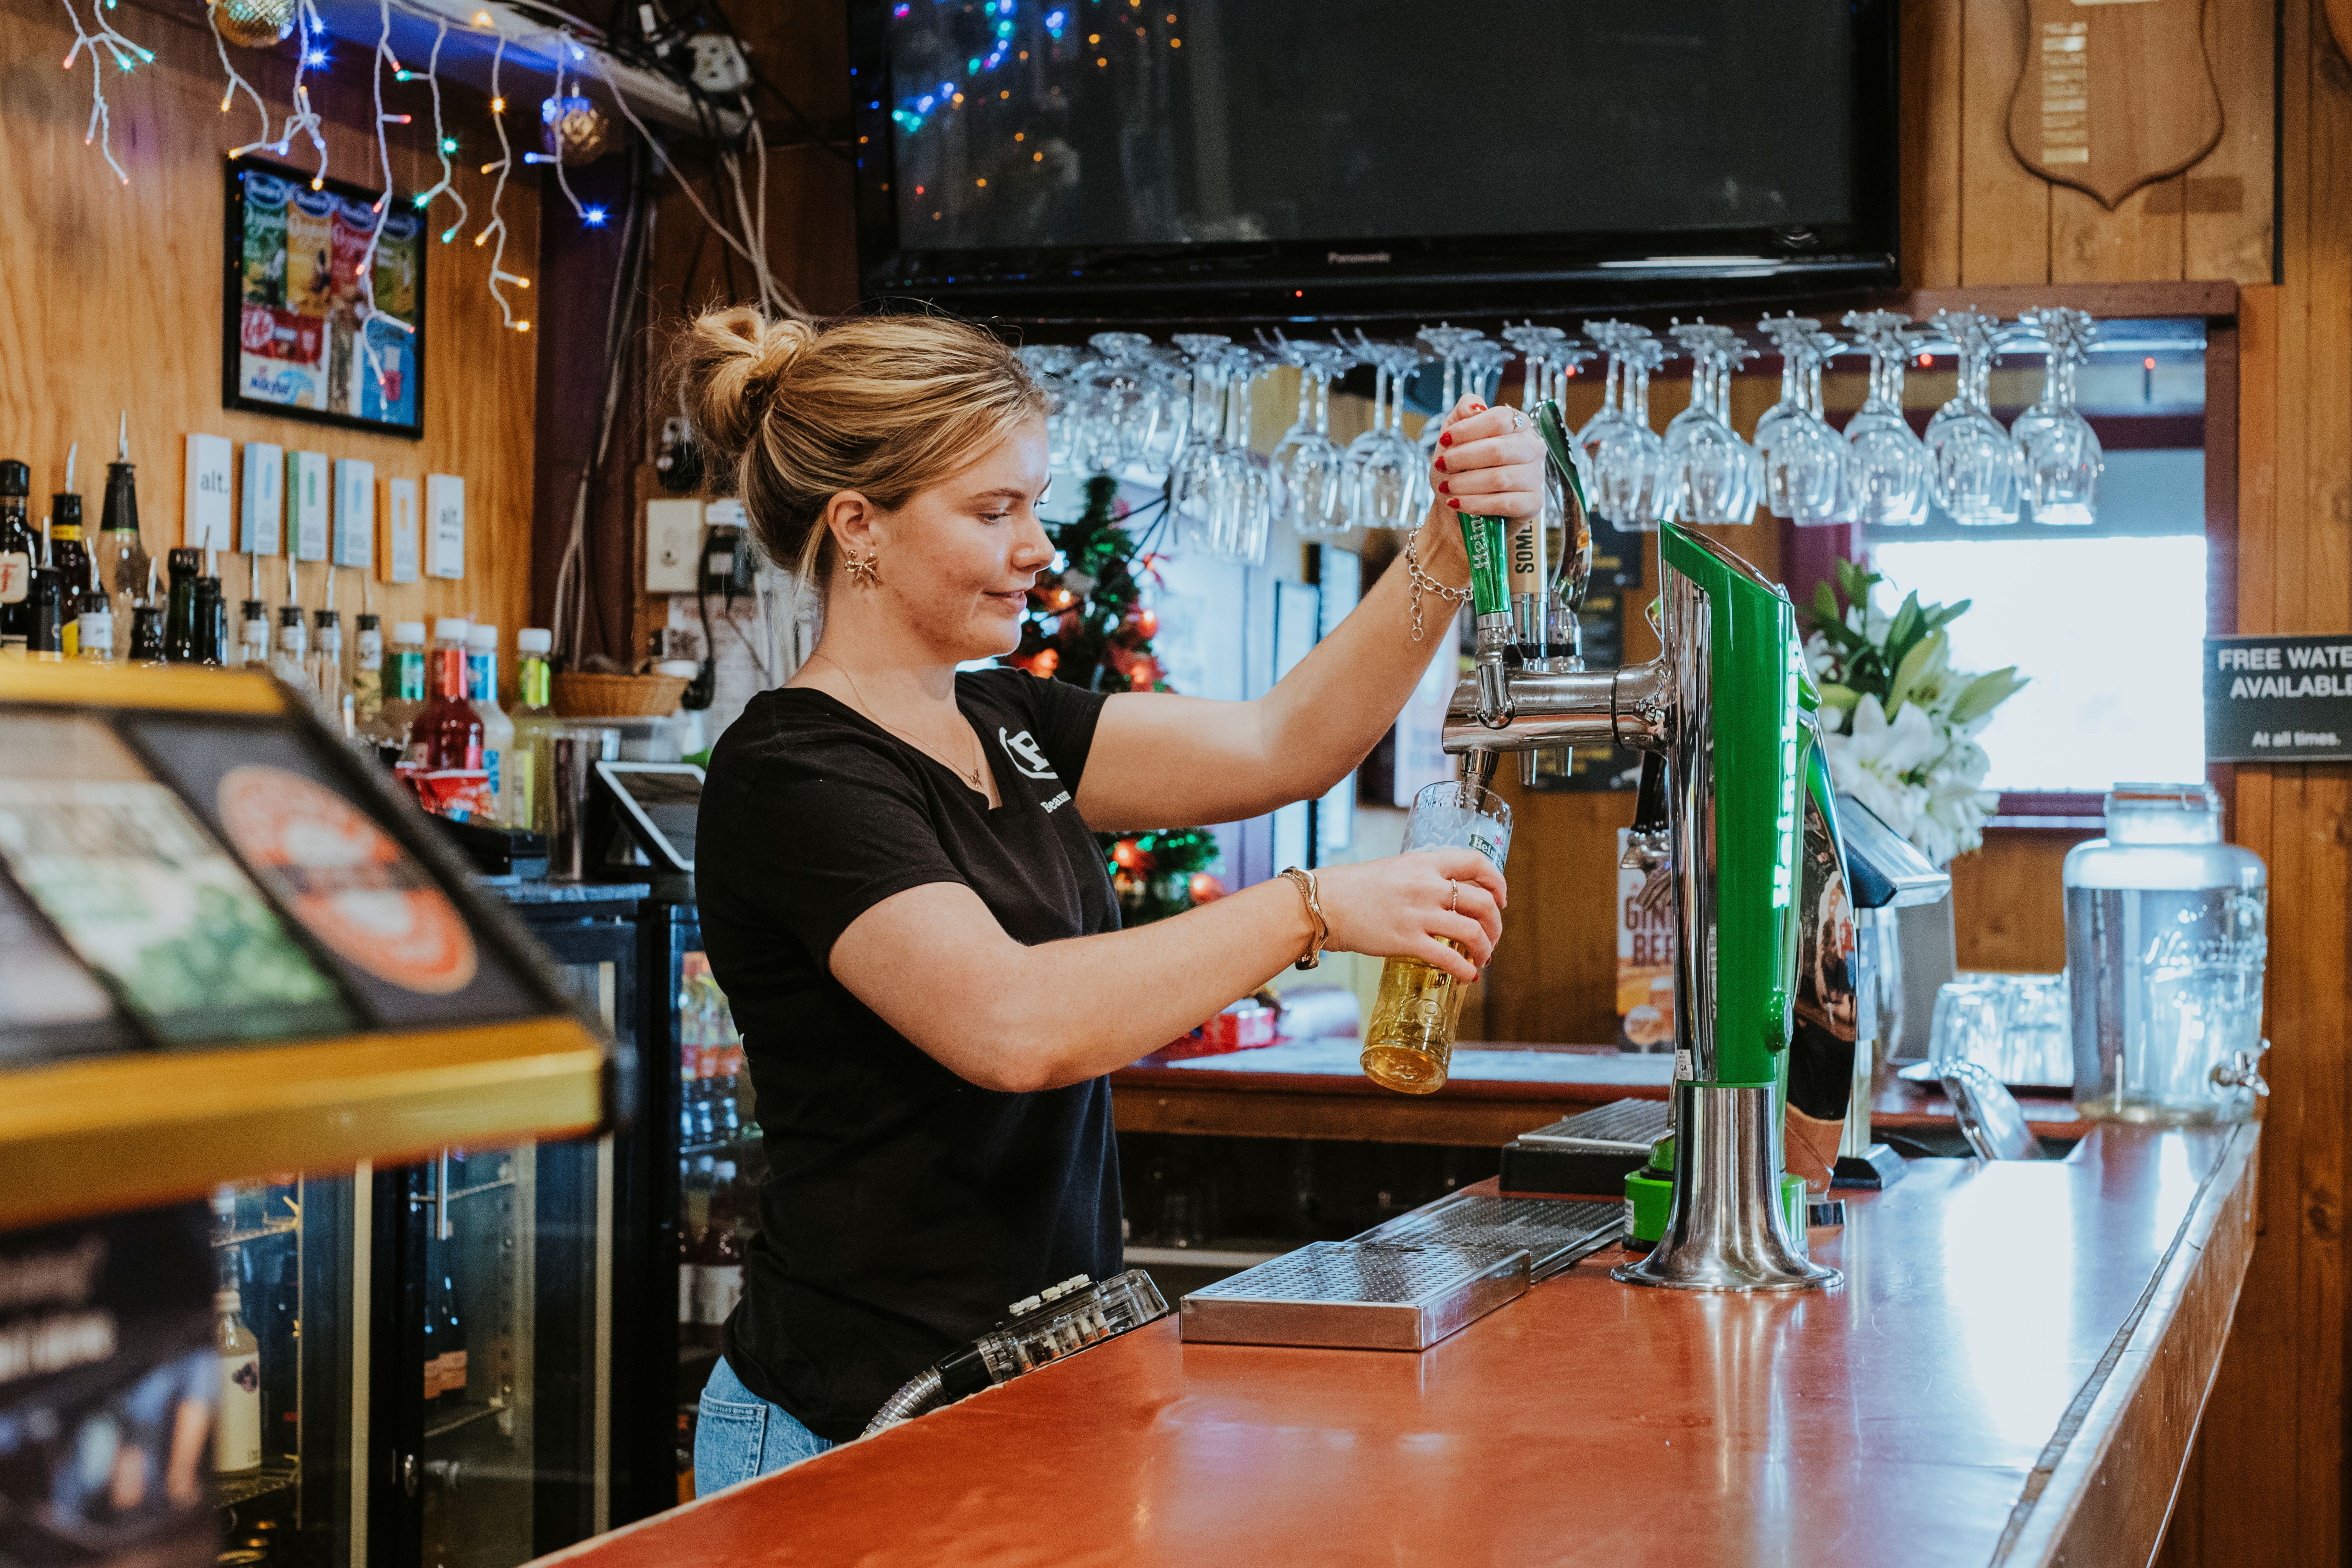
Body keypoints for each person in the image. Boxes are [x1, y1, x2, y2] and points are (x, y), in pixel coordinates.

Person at [682, 307, 1543, 1491]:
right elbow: (1010, 1023)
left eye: (1034, 503)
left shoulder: (1007, 720)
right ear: (858, 527)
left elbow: (1281, 741)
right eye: (995, 511)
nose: (1040, 547)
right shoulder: (795, 769)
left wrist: (1445, 547)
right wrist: (1311, 908)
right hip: (852, 1421)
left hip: (1022, 1405)